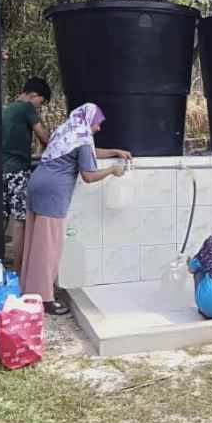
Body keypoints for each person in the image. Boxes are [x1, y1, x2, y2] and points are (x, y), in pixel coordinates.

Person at [21, 102, 131, 315]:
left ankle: (30, 290)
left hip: (37, 184)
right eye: (98, 123)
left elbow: (88, 151)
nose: (98, 128)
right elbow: (88, 176)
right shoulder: (82, 140)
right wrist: (112, 170)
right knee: (49, 248)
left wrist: (114, 151)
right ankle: (45, 300)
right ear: (88, 120)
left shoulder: (68, 131)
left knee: (35, 244)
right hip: (53, 193)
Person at [1, 77, 52, 273]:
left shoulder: (8, 109)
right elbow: (44, 137)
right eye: (41, 101)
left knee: (2, 218)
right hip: (17, 171)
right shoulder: (26, 108)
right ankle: (18, 270)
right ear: (34, 95)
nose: (40, 107)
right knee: (20, 221)